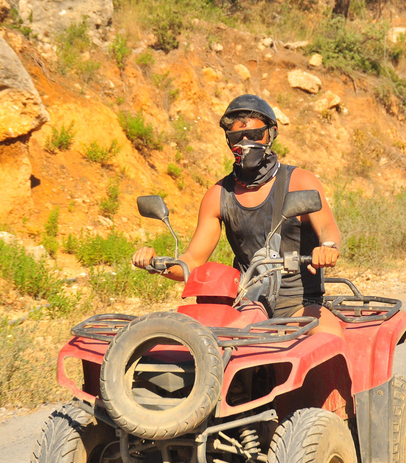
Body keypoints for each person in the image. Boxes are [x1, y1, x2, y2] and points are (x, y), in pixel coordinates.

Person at [132, 94, 342, 337]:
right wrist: (155, 264)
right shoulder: (218, 195)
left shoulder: (299, 182)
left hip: (297, 304)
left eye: (254, 135)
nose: (245, 142)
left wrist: (327, 247)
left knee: (329, 338)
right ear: (228, 140)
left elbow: (327, 227)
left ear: (271, 134)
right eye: (236, 136)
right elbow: (192, 261)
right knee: (197, 346)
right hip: (245, 302)